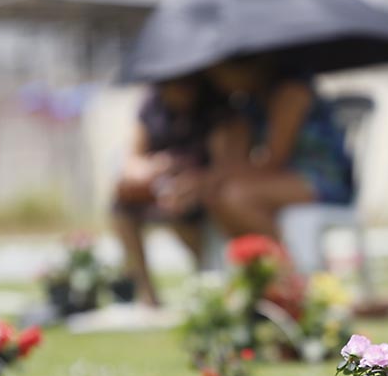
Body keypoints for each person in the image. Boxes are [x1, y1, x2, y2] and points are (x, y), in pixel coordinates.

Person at [201, 55, 352, 239]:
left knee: (236, 197)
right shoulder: (249, 105)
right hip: (279, 179)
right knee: (217, 196)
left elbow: (273, 161)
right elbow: (233, 161)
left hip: (321, 179)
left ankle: (284, 263)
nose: (216, 82)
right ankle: (259, 261)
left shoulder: (292, 91)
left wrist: (212, 178)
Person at [112, 74, 223, 306]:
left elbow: (224, 164)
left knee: (180, 205)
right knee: (120, 204)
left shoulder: (214, 106)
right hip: (160, 186)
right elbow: (132, 160)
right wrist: (156, 167)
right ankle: (147, 292)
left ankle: (206, 279)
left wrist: (192, 177)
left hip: (200, 190)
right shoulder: (152, 105)